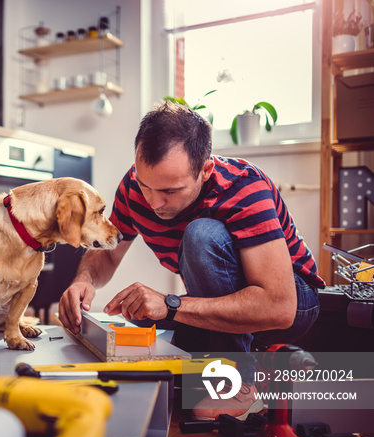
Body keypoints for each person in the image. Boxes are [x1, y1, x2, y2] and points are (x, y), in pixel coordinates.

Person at [58, 101, 324, 420]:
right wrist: (83, 280)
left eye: (170, 190)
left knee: (201, 235)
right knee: (139, 313)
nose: (154, 202)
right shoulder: (133, 188)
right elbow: (107, 255)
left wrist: (171, 305)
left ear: (205, 170)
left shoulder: (243, 187)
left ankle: (239, 385)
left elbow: (280, 307)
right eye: (146, 186)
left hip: (294, 304)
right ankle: (222, 361)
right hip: (230, 300)